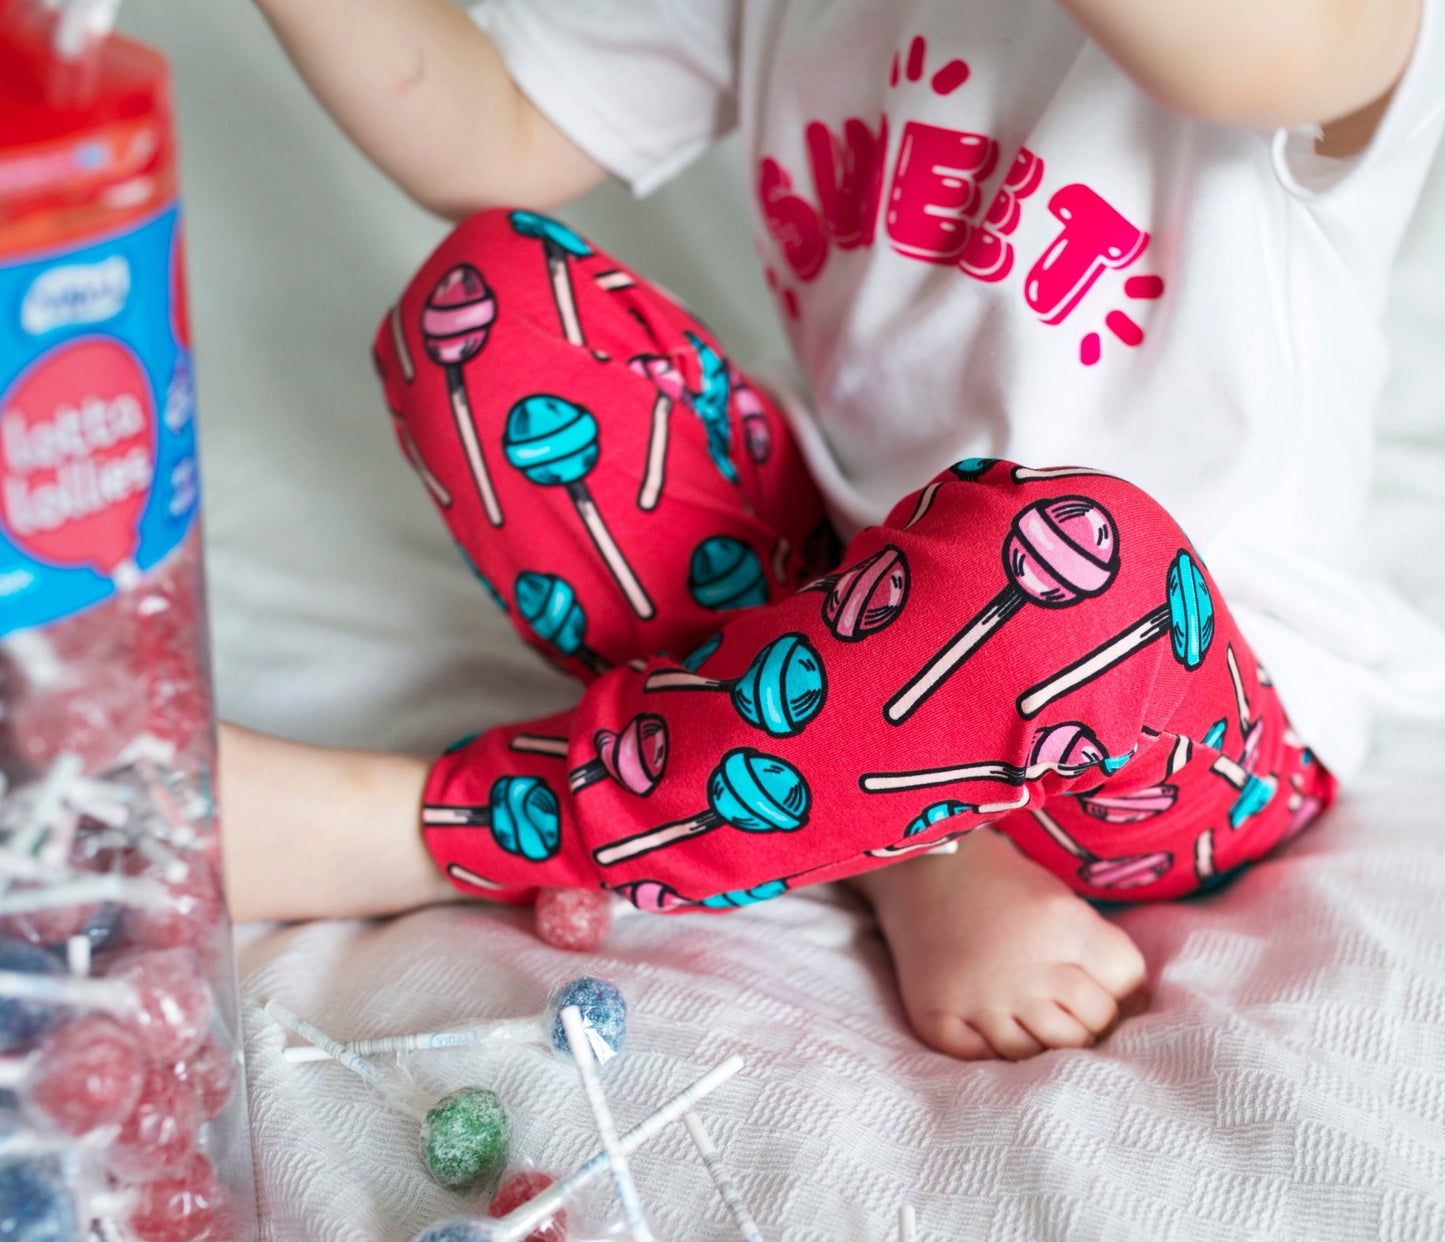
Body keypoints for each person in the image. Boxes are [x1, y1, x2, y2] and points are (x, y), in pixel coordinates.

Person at [221, 0, 1444, 1063]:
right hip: (840, 620)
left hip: (1162, 714)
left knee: (1058, 552)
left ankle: (437, 830)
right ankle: (909, 845)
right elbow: (488, 126)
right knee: (486, 310)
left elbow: (1252, 56)